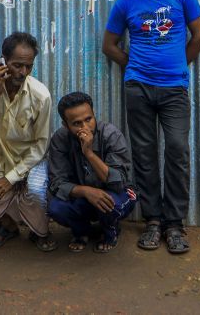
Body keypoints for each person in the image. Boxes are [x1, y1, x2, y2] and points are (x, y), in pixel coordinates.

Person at [102, 0, 200, 254]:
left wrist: (177, 64)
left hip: (175, 88)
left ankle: (174, 223)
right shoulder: (125, 3)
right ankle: (153, 220)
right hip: (138, 88)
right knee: (145, 154)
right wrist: (133, 67)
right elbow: (109, 45)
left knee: (177, 149)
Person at [0, 32, 57, 252]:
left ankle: (39, 230)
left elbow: (41, 145)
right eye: (17, 65)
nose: (23, 72)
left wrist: (12, 178)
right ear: (3, 60)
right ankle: (7, 226)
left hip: (31, 157)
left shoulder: (40, 95)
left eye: (28, 66)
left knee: (35, 189)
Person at [47, 92, 136, 254]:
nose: (85, 127)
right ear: (66, 125)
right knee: (56, 207)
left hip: (116, 193)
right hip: (83, 196)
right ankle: (82, 232)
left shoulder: (111, 135)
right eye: (77, 123)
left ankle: (110, 232)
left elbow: (118, 182)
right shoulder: (60, 139)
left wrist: (89, 153)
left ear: (94, 115)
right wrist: (86, 191)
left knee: (111, 204)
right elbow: (56, 183)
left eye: (89, 119)